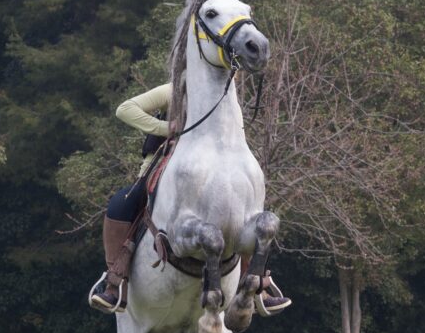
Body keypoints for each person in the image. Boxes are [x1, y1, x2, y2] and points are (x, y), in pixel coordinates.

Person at [88, 82, 292, 315]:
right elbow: (125, 109)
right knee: (123, 202)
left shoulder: (227, 97)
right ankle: (115, 281)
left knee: (249, 213)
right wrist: (166, 127)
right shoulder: (174, 90)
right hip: (165, 166)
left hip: (215, 173)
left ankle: (255, 285)